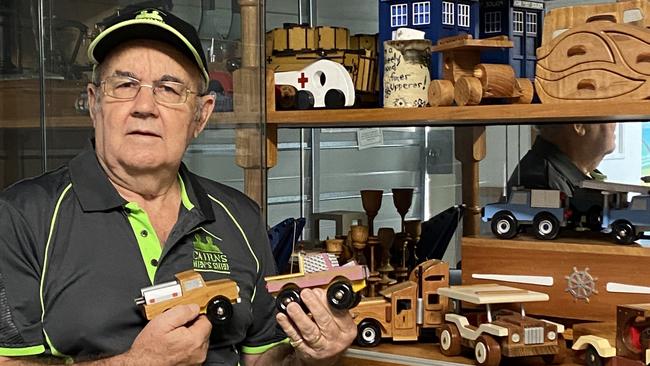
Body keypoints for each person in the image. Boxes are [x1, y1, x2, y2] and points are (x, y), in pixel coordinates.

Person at [0, 7, 356, 365]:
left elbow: (264, 359)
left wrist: (316, 357)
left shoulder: (240, 217)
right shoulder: (22, 217)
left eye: (169, 89)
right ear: (94, 103)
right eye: (124, 85)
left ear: (200, 116)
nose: (144, 106)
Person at [507, 123, 617, 227]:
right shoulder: (539, 180)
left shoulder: (564, 174)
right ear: (579, 125)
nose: (615, 123)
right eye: (609, 116)